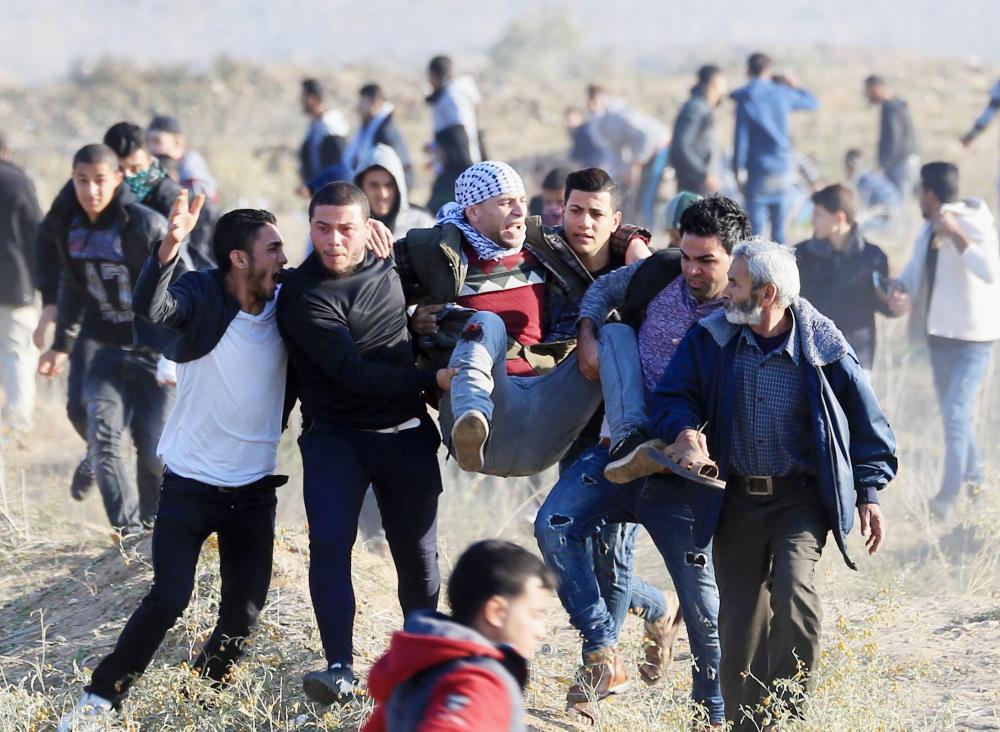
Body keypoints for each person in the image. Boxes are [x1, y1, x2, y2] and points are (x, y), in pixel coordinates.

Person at [617, 239, 896, 730]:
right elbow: (673, 396)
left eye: (737, 283)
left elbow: (868, 423)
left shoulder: (824, 347)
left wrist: (869, 492)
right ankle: (749, 724)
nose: (726, 291)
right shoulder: (711, 339)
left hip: (800, 500)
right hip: (735, 500)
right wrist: (685, 432)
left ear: (767, 294)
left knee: (796, 594)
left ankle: (783, 719)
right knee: (740, 629)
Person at [56, 200, 290, 730]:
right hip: (189, 483)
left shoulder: (287, 301)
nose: (283, 256)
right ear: (237, 258)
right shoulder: (202, 294)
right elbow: (154, 308)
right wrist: (167, 251)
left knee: (242, 614)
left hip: (254, 490)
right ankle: (99, 701)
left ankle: (195, 705)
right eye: (273, 248)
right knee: (170, 596)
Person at [536, 196, 751, 726]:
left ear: (737, 261)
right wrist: (588, 333)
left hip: (687, 473)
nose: (692, 271)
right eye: (688, 256)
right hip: (619, 451)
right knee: (554, 527)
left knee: (702, 604)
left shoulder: (747, 314)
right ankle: (601, 652)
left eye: (707, 262)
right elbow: (605, 290)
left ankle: (712, 711)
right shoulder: (658, 274)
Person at [277, 182, 452, 705]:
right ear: (309, 228)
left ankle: (423, 663)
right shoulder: (303, 296)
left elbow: (468, 238)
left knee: (418, 557)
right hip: (337, 439)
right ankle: (339, 668)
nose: (333, 240)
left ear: (368, 228)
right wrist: (432, 380)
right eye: (322, 228)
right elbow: (355, 375)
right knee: (330, 546)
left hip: (405, 436)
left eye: (345, 228)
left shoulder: (394, 258)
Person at [395, 164, 650, 478]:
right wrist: (411, 323)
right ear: (473, 212)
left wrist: (635, 240)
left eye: (522, 201)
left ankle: (628, 440)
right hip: (489, 407)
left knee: (616, 333)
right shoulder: (435, 254)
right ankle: (472, 417)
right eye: (505, 203)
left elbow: (598, 229)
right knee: (486, 323)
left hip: (546, 401)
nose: (518, 212)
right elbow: (370, 289)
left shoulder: (543, 247)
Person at [36, 144, 176, 535]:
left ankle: (156, 528)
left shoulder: (147, 225)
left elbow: (185, 285)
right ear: (73, 180)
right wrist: (60, 345)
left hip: (154, 353)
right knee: (102, 432)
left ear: (117, 179)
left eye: (100, 180)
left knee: (154, 451)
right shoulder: (70, 226)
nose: (91, 190)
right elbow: (72, 285)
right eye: (82, 181)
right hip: (106, 351)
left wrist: (179, 352)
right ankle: (128, 530)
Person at [889, 162, 1000, 519]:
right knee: (957, 416)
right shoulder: (928, 230)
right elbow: (913, 271)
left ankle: (946, 497)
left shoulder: (973, 221)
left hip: (975, 339)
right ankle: (978, 485)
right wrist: (897, 290)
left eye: (920, 192)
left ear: (931, 194)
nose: (918, 199)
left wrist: (955, 234)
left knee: (955, 413)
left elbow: (989, 271)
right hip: (939, 337)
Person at [364, 540, 555, 732]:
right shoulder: (479, 683)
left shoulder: (417, 672)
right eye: (535, 615)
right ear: (497, 612)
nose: (542, 633)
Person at [795, 184, 892, 371]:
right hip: (812, 355)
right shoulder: (800, 255)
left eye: (818, 214)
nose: (812, 220)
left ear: (839, 218)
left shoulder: (873, 257)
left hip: (857, 356)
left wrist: (893, 305)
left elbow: (882, 303)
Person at [103, 121, 217, 270]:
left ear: (150, 161)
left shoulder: (171, 198)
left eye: (135, 168)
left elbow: (179, 263)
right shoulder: (92, 193)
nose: (127, 176)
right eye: (119, 169)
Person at [731, 53, 818, 243]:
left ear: (748, 71)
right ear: (768, 70)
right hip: (783, 170)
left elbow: (741, 140)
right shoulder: (782, 93)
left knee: (756, 233)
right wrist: (794, 83)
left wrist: (737, 172)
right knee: (780, 231)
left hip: (758, 171)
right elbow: (812, 102)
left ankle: (754, 271)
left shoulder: (745, 98)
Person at [0, 131, 42, 443]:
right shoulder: (17, 182)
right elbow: (36, 236)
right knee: (17, 356)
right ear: (6, 149)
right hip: (15, 285)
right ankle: (17, 428)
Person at [587, 84, 671, 229]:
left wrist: (637, 162)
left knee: (646, 196)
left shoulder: (621, 115)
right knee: (635, 193)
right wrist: (620, 174)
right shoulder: (598, 120)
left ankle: (650, 230)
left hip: (658, 147)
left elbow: (647, 136)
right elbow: (614, 151)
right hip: (641, 154)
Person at [425, 55, 483, 212]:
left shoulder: (451, 96)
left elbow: (457, 134)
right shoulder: (450, 95)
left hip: (457, 168)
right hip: (455, 166)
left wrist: (462, 171)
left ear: (433, 75)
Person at [354, 143, 434, 238]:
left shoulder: (422, 225)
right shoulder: (348, 226)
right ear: (361, 187)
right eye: (374, 185)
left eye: (388, 185)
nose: (382, 194)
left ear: (398, 188)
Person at [670, 65, 727, 196]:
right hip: (695, 183)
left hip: (701, 182)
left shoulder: (704, 107)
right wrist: (703, 174)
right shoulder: (695, 108)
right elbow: (681, 146)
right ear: (714, 83)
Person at [344, 83, 414, 188]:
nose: (358, 107)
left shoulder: (385, 131)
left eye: (361, 102)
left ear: (373, 103)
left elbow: (395, 167)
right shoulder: (367, 129)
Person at [863, 75, 918, 197]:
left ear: (876, 88)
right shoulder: (897, 105)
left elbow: (893, 138)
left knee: (898, 201)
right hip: (904, 160)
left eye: (868, 91)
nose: (867, 95)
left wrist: (883, 164)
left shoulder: (891, 107)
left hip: (899, 163)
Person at [146, 115, 219, 204]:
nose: (151, 147)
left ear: (178, 142)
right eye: (148, 141)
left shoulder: (193, 174)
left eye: (157, 141)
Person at [295, 78, 350, 195]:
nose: (301, 100)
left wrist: (314, 186)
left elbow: (338, 167)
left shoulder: (331, 126)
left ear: (313, 98)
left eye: (303, 96)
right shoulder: (315, 125)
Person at [844, 148, 901, 232]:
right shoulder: (868, 175)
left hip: (888, 221)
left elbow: (867, 209)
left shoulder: (863, 181)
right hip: (894, 217)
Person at [566, 106, 608, 170]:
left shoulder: (585, 132)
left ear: (579, 118)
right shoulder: (579, 133)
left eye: (569, 120)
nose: (567, 124)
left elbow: (599, 151)